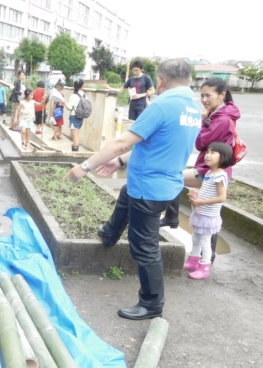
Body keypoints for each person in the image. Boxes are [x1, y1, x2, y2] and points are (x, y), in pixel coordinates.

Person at [66, 59, 201, 320]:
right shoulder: (191, 109)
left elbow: (122, 141)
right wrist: (120, 161)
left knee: (144, 246)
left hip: (149, 187)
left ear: (159, 81)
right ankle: (109, 233)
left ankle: (151, 304)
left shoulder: (162, 105)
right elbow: (153, 144)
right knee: (125, 197)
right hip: (158, 183)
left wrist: (85, 166)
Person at [160, 78, 240, 260]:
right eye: (202, 95)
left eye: (208, 95)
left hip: (210, 172)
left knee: (172, 177)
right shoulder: (221, 114)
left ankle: (173, 218)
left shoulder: (222, 119)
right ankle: (206, 256)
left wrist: (203, 122)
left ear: (221, 95)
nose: (204, 99)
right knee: (209, 215)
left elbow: (200, 142)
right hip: (212, 169)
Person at [184, 142, 232, 280]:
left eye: (213, 153)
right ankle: (193, 261)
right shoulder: (210, 173)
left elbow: (222, 197)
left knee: (205, 241)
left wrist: (201, 202)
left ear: (223, 157)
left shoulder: (220, 176)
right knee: (196, 238)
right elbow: (206, 191)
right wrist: (195, 195)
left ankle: (204, 267)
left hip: (209, 215)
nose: (208, 155)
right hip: (201, 212)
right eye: (207, 152)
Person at [65, 78, 85, 152]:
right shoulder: (84, 95)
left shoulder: (73, 96)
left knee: (74, 136)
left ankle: (75, 153)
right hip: (81, 116)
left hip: (74, 116)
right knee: (77, 135)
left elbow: (70, 108)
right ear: (82, 85)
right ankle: (76, 150)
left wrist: (64, 103)